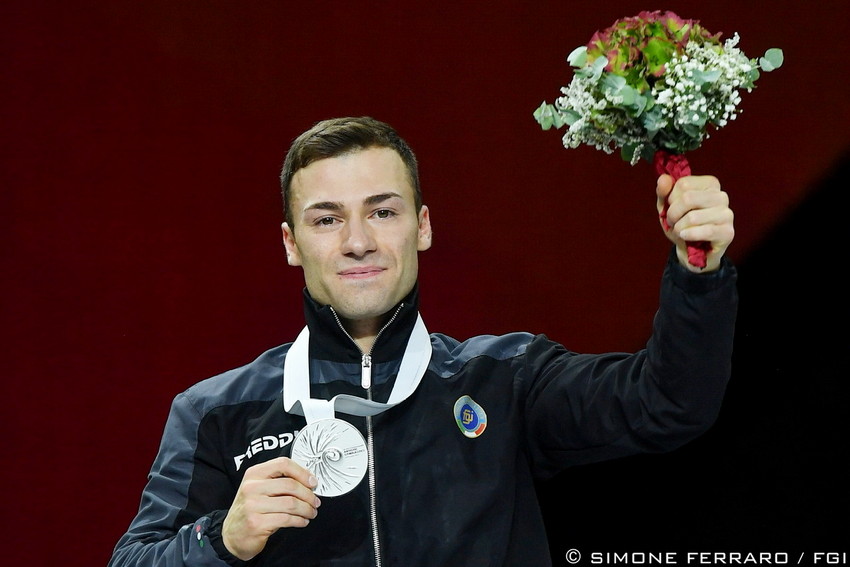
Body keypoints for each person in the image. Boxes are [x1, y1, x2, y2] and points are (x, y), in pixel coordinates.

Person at [108, 116, 737, 566]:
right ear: (291, 244)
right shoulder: (218, 413)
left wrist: (697, 276)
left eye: (383, 211)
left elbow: (669, 403)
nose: (357, 240)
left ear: (423, 227)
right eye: (327, 219)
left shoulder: (505, 378)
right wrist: (223, 539)